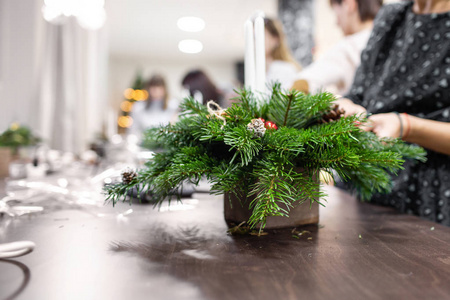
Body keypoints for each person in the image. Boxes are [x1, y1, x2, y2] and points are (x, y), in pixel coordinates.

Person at [336, 0, 450, 225]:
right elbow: (359, 92)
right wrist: (347, 106)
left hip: (432, 200)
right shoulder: (391, 15)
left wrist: (406, 126)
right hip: (368, 188)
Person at [291, 0, 383, 95]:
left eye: (337, 14)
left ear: (349, 4)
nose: (337, 23)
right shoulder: (395, 39)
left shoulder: (349, 46)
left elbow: (304, 81)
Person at [128, 74, 176, 140]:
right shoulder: (138, 108)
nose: (156, 90)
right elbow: (133, 131)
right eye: (153, 87)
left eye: (159, 86)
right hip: (144, 147)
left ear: (164, 89)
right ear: (148, 88)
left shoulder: (173, 106)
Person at [264, 17, 302, 90]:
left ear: (275, 39)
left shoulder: (284, 70)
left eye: (257, 37)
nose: (253, 43)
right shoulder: (256, 71)